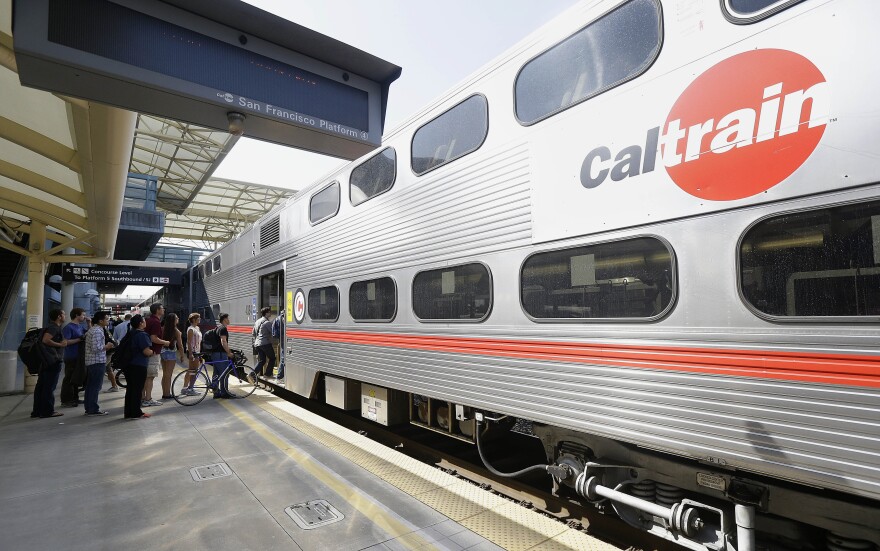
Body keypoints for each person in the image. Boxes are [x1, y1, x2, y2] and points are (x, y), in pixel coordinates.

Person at [31, 309, 68, 418]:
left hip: (46, 360)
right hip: (52, 361)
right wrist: (61, 345)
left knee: (41, 386)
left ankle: (37, 411)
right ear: (59, 316)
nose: (65, 315)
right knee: (49, 387)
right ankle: (47, 411)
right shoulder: (53, 327)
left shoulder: (49, 327)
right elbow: (46, 340)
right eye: (63, 314)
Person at [83, 311, 114, 416]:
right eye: (106, 319)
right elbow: (96, 348)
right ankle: (93, 409)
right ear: (100, 321)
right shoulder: (97, 331)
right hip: (96, 361)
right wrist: (107, 346)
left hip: (93, 361)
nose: (108, 321)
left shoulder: (95, 329)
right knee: (95, 386)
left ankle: (89, 408)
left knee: (91, 386)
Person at [123, 314, 153, 419]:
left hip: (129, 365)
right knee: (137, 389)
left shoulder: (131, 333)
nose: (145, 322)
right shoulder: (142, 335)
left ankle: (128, 413)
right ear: (140, 323)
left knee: (130, 389)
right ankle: (136, 413)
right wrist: (152, 352)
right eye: (144, 321)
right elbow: (146, 351)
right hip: (139, 365)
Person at [143, 303, 170, 407]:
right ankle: (148, 399)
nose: (164, 310)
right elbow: (153, 338)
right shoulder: (155, 322)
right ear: (157, 310)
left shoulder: (149, 320)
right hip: (153, 352)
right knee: (150, 377)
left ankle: (143, 398)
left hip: (148, 352)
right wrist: (165, 342)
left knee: (146, 377)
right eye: (162, 308)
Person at [60, 308, 87, 407]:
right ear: (76, 315)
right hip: (71, 356)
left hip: (79, 356)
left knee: (76, 378)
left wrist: (89, 323)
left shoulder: (80, 326)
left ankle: (75, 398)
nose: (84, 317)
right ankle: (66, 400)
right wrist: (79, 339)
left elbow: (88, 333)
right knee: (69, 378)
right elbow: (65, 342)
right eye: (83, 315)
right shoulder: (68, 327)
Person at [159, 313, 185, 399]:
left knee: (165, 374)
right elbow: (180, 345)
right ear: (173, 320)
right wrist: (182, 355)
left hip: (163, 352)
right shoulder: (176, 331)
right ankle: (167, 394)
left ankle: (165, 392)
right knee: (168, 375)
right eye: (177, 318)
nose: (178, 319)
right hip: (171, 353)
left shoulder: (162, 328)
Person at [211, 313, 234, 398]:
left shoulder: (218, 328)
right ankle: (225, 393)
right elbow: (223, 341)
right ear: (224, 319)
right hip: (220, 354)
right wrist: (228, 352)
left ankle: (216, 392)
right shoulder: (223, 328)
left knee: (216, 373)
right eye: (228, 318)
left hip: (215, 354)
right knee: (224, 373)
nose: (229, 320)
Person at [181, 312, 202, 396]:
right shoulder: (191, 329)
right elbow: (189, 342)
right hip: (193, 352)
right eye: (198, 318)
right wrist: (190, 354)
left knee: (193, 370)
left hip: (197, 351)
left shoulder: (197, 328)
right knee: (192, 370)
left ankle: (188, 387)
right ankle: (188, 388)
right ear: (193, 319)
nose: (200, 319)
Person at [252, 307, 276, 379]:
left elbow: (253, 333)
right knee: (272, 358)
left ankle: (251, 375)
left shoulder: (257, 321)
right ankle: (268, 374)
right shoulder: (267, 323)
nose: (270, 313)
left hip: (257, 344)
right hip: (265, 343)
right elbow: (273, 332)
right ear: (266, 313)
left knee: (262, 361)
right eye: (269, 312)